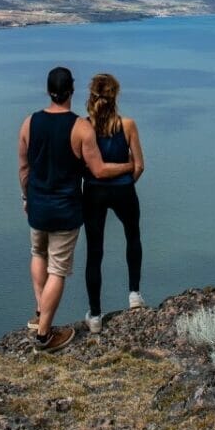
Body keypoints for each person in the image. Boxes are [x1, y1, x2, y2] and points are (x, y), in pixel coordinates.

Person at [17, 66, 134, 354]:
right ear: (71, 91)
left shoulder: (29, 123)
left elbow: (23, 168)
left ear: (48, 91)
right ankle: (45, 335)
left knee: (37, 254)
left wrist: (25, 197)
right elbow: (99, 169)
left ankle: (38, 315)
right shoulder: (81, 128)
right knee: (58, 269)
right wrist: (130, 165)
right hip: (66, 210)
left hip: (37, 205)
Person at [82, 73, 145, 334]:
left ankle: (95, 315)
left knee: (94, 252)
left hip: (93, 193)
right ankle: (134, 295)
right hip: (123, 191)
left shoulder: (83, 127)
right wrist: (125, 181)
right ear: (115, 95)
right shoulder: (127, 124)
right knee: (133, 237)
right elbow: (139, 166)